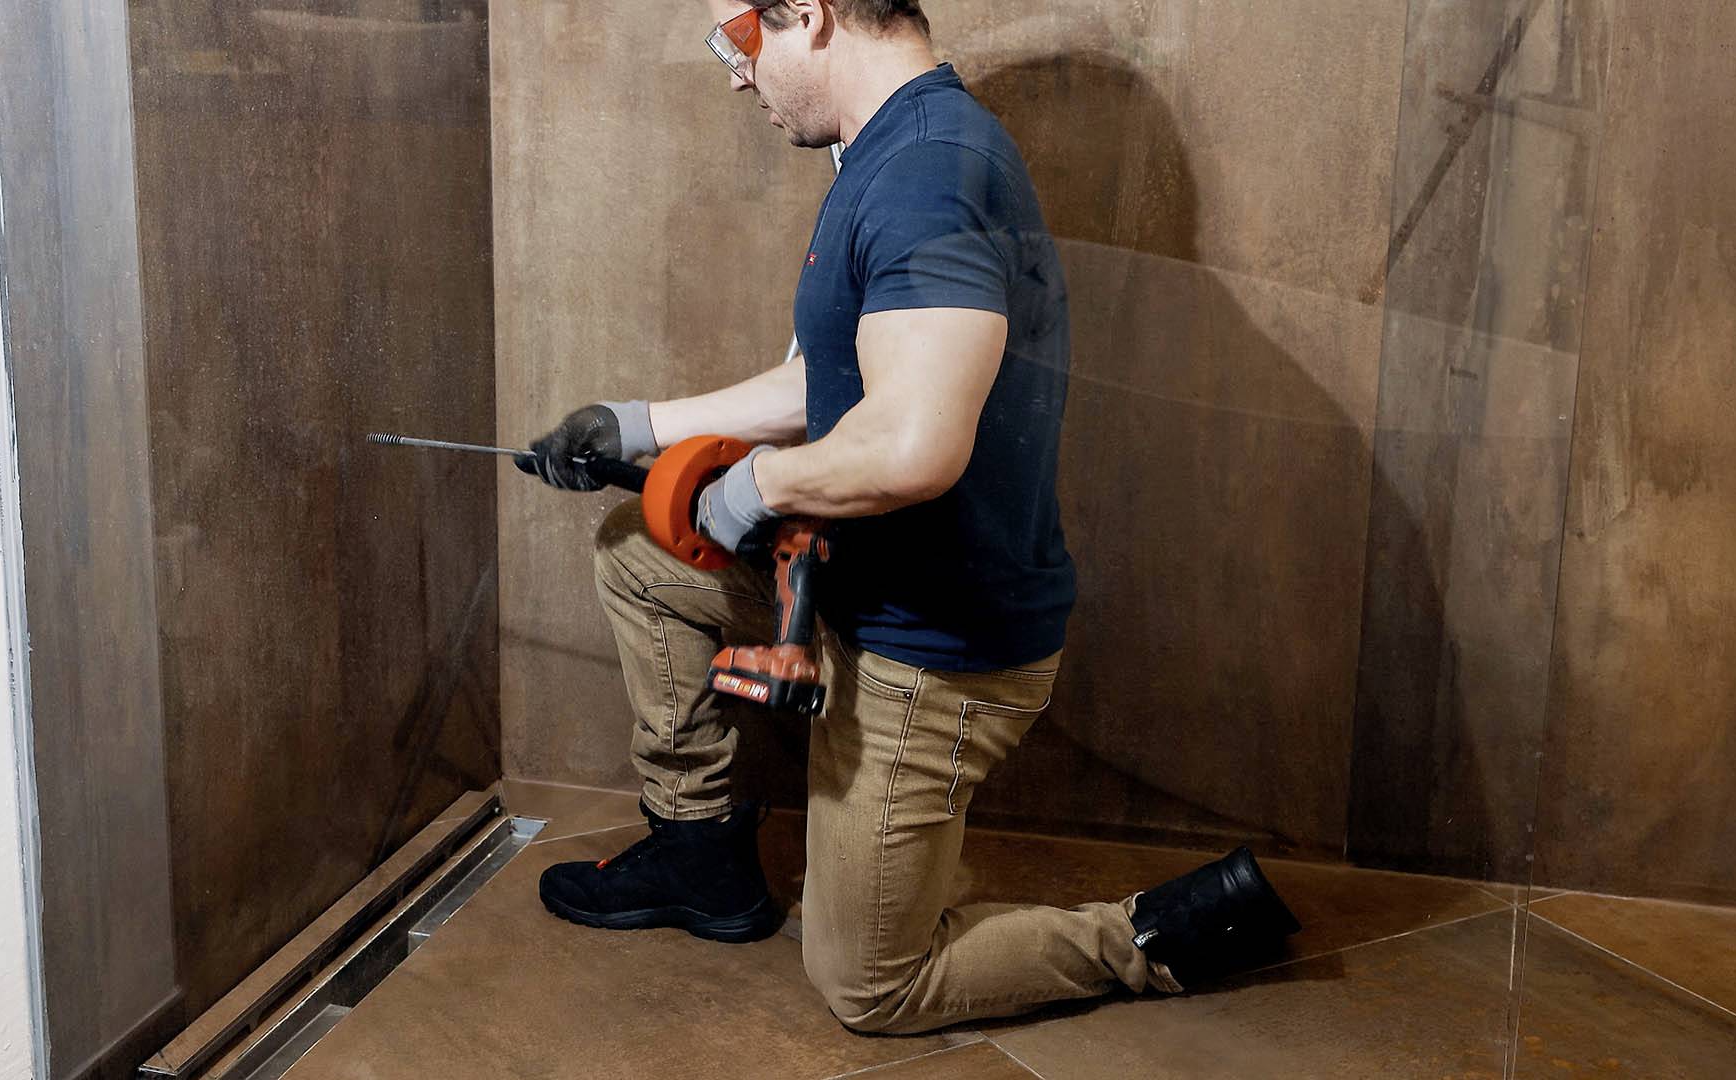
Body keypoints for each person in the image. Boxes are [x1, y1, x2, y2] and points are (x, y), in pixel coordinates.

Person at [518, 0, 1301, 1034]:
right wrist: (636, 425)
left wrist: (757, 489)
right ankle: (699, 853)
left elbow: (910, 446)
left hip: (936, 650)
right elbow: (832, 385)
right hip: (861, 584)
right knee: (642, 551)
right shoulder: (880, 150)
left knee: (870, 983)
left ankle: (1155, 936)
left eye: (740, 39)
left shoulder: (928, 173)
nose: (735, 74)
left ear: (813, 12)